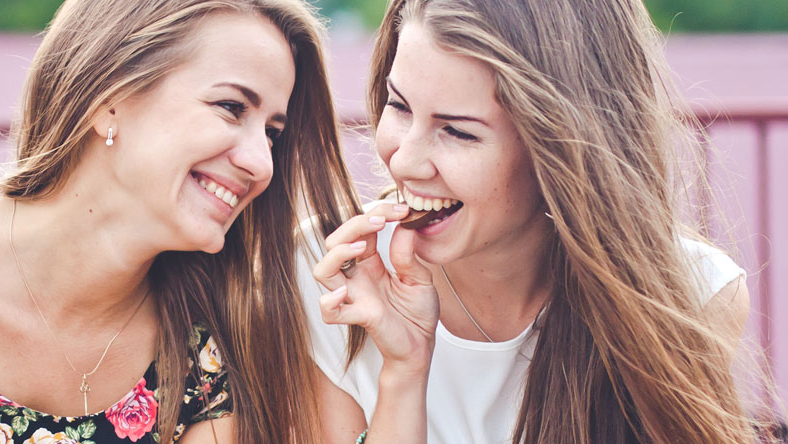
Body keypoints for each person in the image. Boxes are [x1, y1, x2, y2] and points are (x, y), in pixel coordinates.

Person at [0, 0, 360, 442]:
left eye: (273, 133)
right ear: (110, 97)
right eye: (231, 108)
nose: (261, 163)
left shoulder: (214, 345)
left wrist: (405, 363)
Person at [298, 0, 773, 443]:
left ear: (560, 149)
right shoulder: (329, 272)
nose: (404, 161)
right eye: (399, 106)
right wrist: (404, 371)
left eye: (458, 131)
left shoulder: (690, 297)